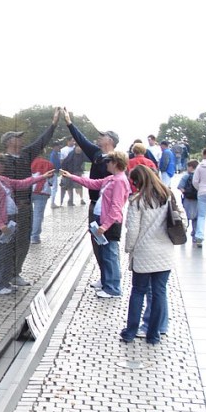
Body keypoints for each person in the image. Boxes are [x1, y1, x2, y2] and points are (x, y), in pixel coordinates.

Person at [120, 165, 185, 345]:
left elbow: (132, 230)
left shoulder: (136, 201)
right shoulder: (168, 196)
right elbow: (182, 219)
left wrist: (128, 249)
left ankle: (130, 332)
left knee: (138, 292)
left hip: (143, 253)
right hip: (165, 252)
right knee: (159, 293)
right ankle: (154, 334)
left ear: (138, 181)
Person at [0, 106, 60, 286]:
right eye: (18, 137)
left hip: (26, 205)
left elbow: (41, 141)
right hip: (9, 209)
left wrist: (53, 124)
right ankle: (3, 276)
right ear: (9, 141)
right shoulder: (2, 161)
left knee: (23, 241)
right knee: (7, 243)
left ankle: (15, 272)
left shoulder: (26, 155)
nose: (22, 140)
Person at [60, 150, 131, 298]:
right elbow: (92, 184)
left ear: (115, 163)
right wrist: (72, 176)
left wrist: (104, 226)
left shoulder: (119, 181)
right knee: (105, 254)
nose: (106, 164)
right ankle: (107, 284)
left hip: (109, 223)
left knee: (110, 255)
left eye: (108, 161)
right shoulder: (112, 178)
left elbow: (116, 207)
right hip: (103, 221)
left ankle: (113, 288)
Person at [63, 109, 120, 292]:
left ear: (110, 141)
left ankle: (111, 282)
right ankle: (105, 278)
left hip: (107, 209)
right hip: (94, 206)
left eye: (102, 136)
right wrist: (69, 123)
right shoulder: (96, 154)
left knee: (108, 247)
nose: (98, 138)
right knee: (97, 245)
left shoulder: (116, 161)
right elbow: (81, 140)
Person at [0, 151, 53, 295]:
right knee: (1, 254)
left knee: (7, 253)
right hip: (3, 222)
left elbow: (21, 184)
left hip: (10, 219)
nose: (3, 165)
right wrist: (1, 224)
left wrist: (42, 177)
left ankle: (4, 282)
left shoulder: (1, 179)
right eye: (1, 163)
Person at [30, 149, 53, 244]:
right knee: (38, 215)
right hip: (43, 192)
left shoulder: (29, 163)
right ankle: (35, 237)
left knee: (28, 215)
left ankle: (26, 234)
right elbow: (51, 181)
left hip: (29, 190)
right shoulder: (48, 164)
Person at [177, 160, 199, 240]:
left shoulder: (186, 176)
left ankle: (184, 231)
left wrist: (185, 193)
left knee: (186, 216)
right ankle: (195, 234)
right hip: (197, 199)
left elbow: (180, 186)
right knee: (196, 217)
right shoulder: (199, 176)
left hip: (188, 199)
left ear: (190, 167)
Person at [48, 142, 62, 207]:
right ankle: (52, 203)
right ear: (54, 147)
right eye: (57, 146)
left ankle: (52, 202)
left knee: (54, 187)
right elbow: (53, 164)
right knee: (54, 188)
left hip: (54, 172)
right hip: (54, 172)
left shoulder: (55, 154)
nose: (59, 148)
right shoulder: (53, 155)